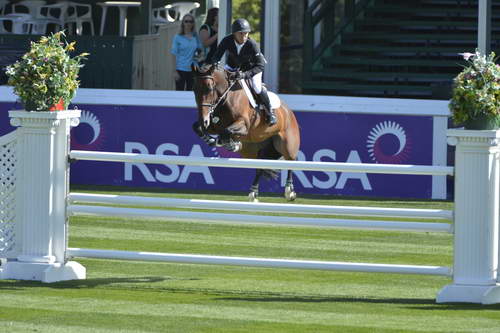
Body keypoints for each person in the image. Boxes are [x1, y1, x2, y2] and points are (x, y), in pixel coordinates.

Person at [209, 18, 277, 125]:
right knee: (220, 82)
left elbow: (260, 65)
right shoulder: (227, 40)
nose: (244, 36)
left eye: (246, 33)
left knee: (257, 87)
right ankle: (214, 110)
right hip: (233, 67)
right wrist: (214, 63)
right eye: (241, 33)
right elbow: (217, 56)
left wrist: (245, 75)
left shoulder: (252, 44)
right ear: (234, 34)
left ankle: (270, 112)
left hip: (252, 69)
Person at [171, 13, 202, 91]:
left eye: (191, 21)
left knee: (191, 93)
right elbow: (173, 54)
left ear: (193, 24)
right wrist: (174, 71)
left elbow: (200, 51)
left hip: (192, 69)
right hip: (180, 69)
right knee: (179, 93)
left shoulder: (196, 37)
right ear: (183, 23)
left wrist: (198, 56)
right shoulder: (177, 37)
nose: (188, 23)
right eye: (186, 21)